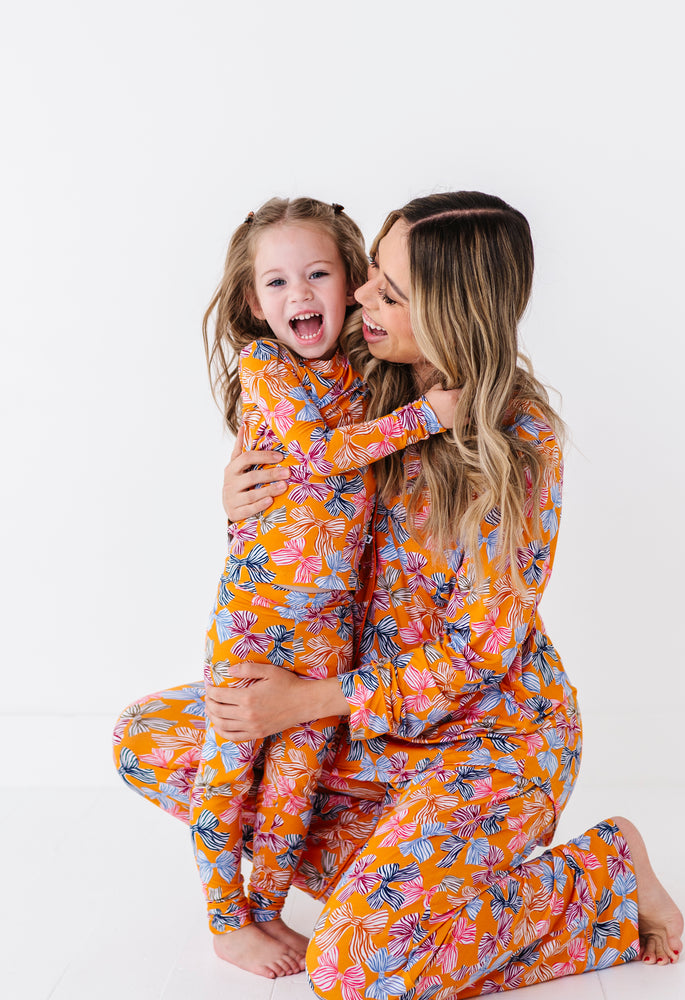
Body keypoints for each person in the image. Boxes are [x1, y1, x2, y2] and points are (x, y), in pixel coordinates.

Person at [114, 191, 683, 997]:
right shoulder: (357, 371)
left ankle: (605, 879)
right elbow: (301, 510)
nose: (359, 296)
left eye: (390, 291)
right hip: (357, 734)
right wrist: (240, 498)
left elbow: (475, 654)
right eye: (369, 276)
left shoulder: (518, 441)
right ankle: (404, 886)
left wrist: (303, 703)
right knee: (148, 738)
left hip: (482, 742)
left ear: (453, 311)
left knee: (352, 972)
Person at [194, 196, 460, 978]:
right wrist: (428, 417)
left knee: (295, 779)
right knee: (230, 764)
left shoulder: (370, 371)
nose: (299, 295)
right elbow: (315, 455)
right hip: (255, 616)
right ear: (254, 303)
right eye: (276, 283)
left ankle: (266, 910)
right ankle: (224, 919)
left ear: (352, 282)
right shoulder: (265, 366)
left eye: (317, 274)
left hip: (328, 628)